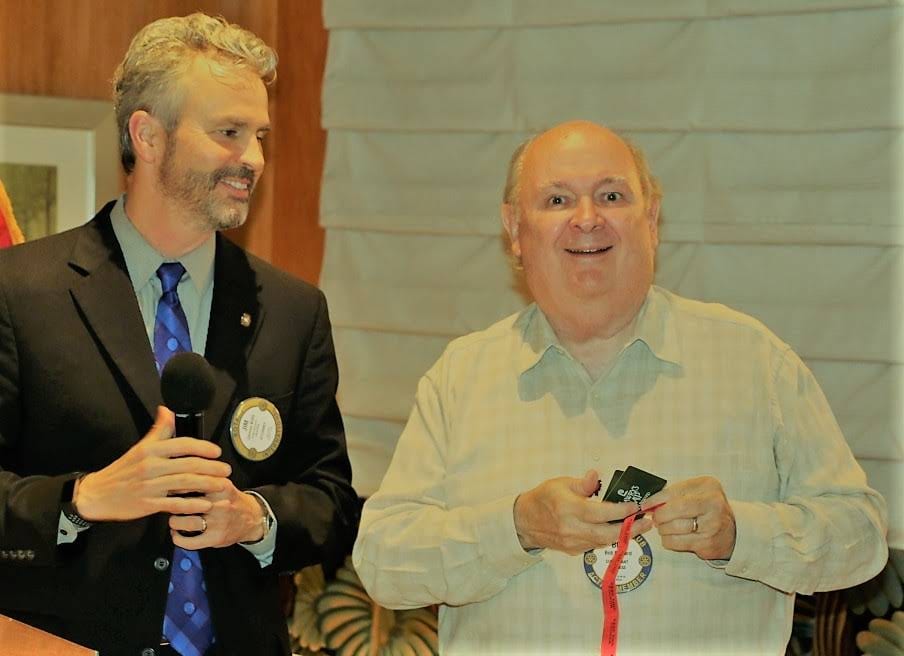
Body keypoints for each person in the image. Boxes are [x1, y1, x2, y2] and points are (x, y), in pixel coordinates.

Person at [352, 120, 888, 654]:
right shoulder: (461, 377)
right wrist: (516, 528)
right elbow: (383, 562)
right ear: (514, 229)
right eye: (558, 200)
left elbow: (861, 537)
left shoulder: (754, 361)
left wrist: (740, 533)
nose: (587, 219)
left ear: (650, 219)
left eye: (612, 196)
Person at [0, 13, 358, 656]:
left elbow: (331, 503)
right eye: (228, 133)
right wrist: (82, 499)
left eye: (259, 136)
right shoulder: (19, 292)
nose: (253, 159)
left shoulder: (292, 310)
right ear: (148, 135)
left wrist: (254, 519)